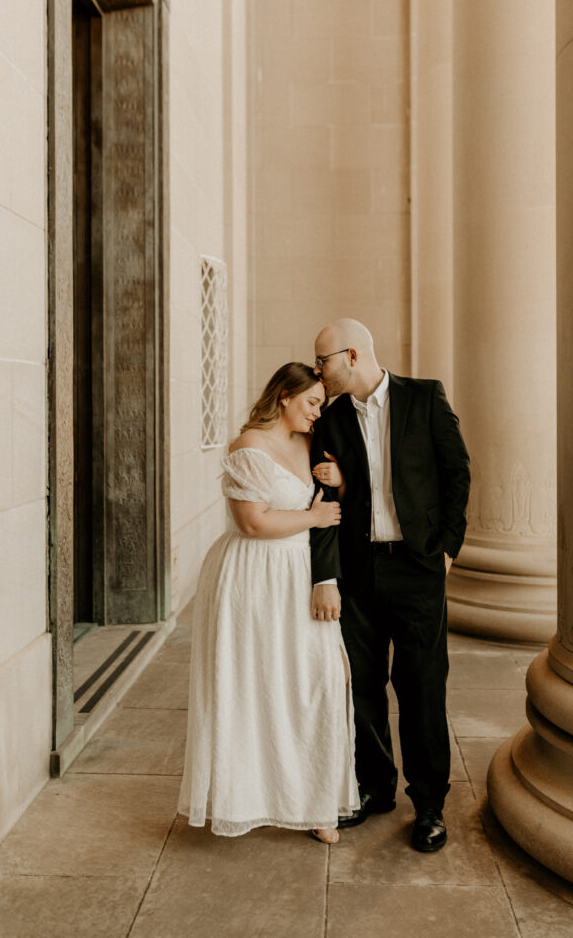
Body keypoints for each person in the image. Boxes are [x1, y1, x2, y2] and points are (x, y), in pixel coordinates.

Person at [177, 362, 360, 844]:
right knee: (254, 684)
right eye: (311, 403)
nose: (317, 413)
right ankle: (250, 799)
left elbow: (335, 501)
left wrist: (337, 484)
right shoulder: (249, 446)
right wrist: (315, 515)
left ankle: (319, 800)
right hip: (252, 576)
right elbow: (252, 524)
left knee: (319, 679)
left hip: (299, 572)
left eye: (320, 404)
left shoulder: (311, 442)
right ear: (284, 395)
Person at [309, 320, 470, 853]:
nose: (318, 372)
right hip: (359, 572)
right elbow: (326, 503)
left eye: (323, 362)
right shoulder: (330, 421)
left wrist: (447, 547)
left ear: (351, 355)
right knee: (362, 684)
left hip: (418, 567)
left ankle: (429, 806)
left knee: (423, 687)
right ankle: (375, 789)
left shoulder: (424, 399)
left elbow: (456, 472)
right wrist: (327, 574)